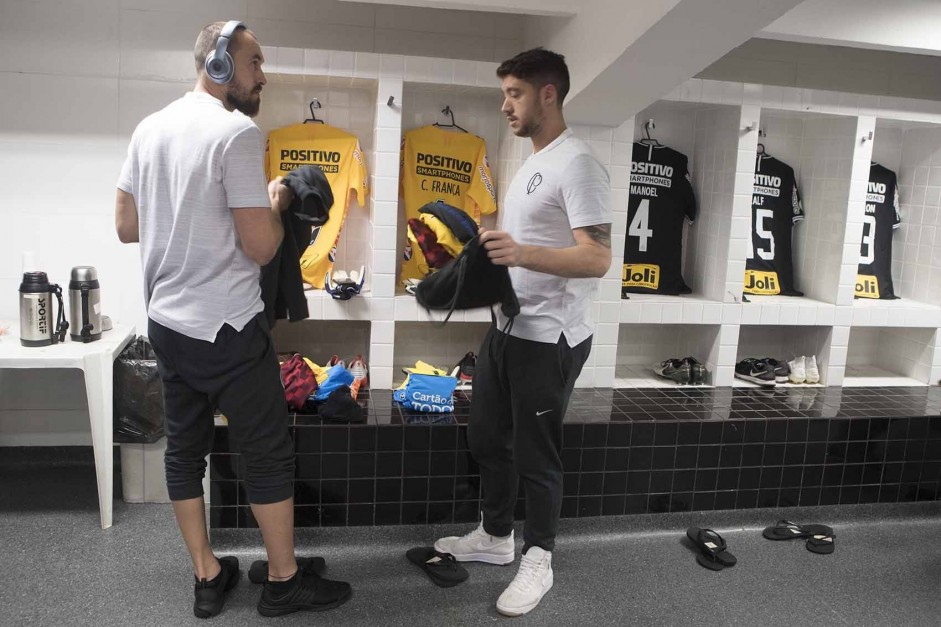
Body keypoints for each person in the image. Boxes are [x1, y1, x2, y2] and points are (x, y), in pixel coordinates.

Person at [115, 21, 351, 619]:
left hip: (167, 324)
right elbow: (264, 247)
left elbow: (126, 226)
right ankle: (283, 579)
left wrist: (189, 215)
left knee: (184, 453)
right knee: (268, 453)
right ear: (220, 64)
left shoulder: (150, 128)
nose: (262, 76)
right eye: (254, 63)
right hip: (227, 329)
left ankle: (207, 574)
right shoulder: (234, 133)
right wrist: (275, 201)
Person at [434, 48, 612, 617]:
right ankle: (495, 536)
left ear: (548, 94)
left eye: (515, 93)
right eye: (505, 92)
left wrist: (521, 251)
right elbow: (522, 252)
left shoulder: (579, 164)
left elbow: (598, 258)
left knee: (538, 456)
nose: (505, 104)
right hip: (508, 329)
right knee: (487, 439)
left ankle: (540, 558)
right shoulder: (534, 162)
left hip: (551, 338)